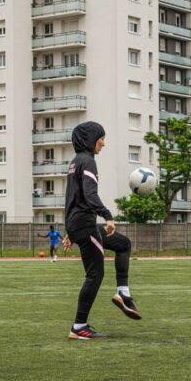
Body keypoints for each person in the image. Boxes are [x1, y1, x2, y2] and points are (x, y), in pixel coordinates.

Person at [61, 121, 141, 340]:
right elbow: (89, 194)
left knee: (123, 244)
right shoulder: (87, 161)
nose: (103, 143)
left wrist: (70, 228)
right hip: (84, 224)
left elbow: (72, 198)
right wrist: (107, 215)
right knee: (95, 274)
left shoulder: (76, 162)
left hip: (79, 224)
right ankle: (79, 326)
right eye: (101, 138)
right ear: (91, 138)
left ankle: (123, 293)